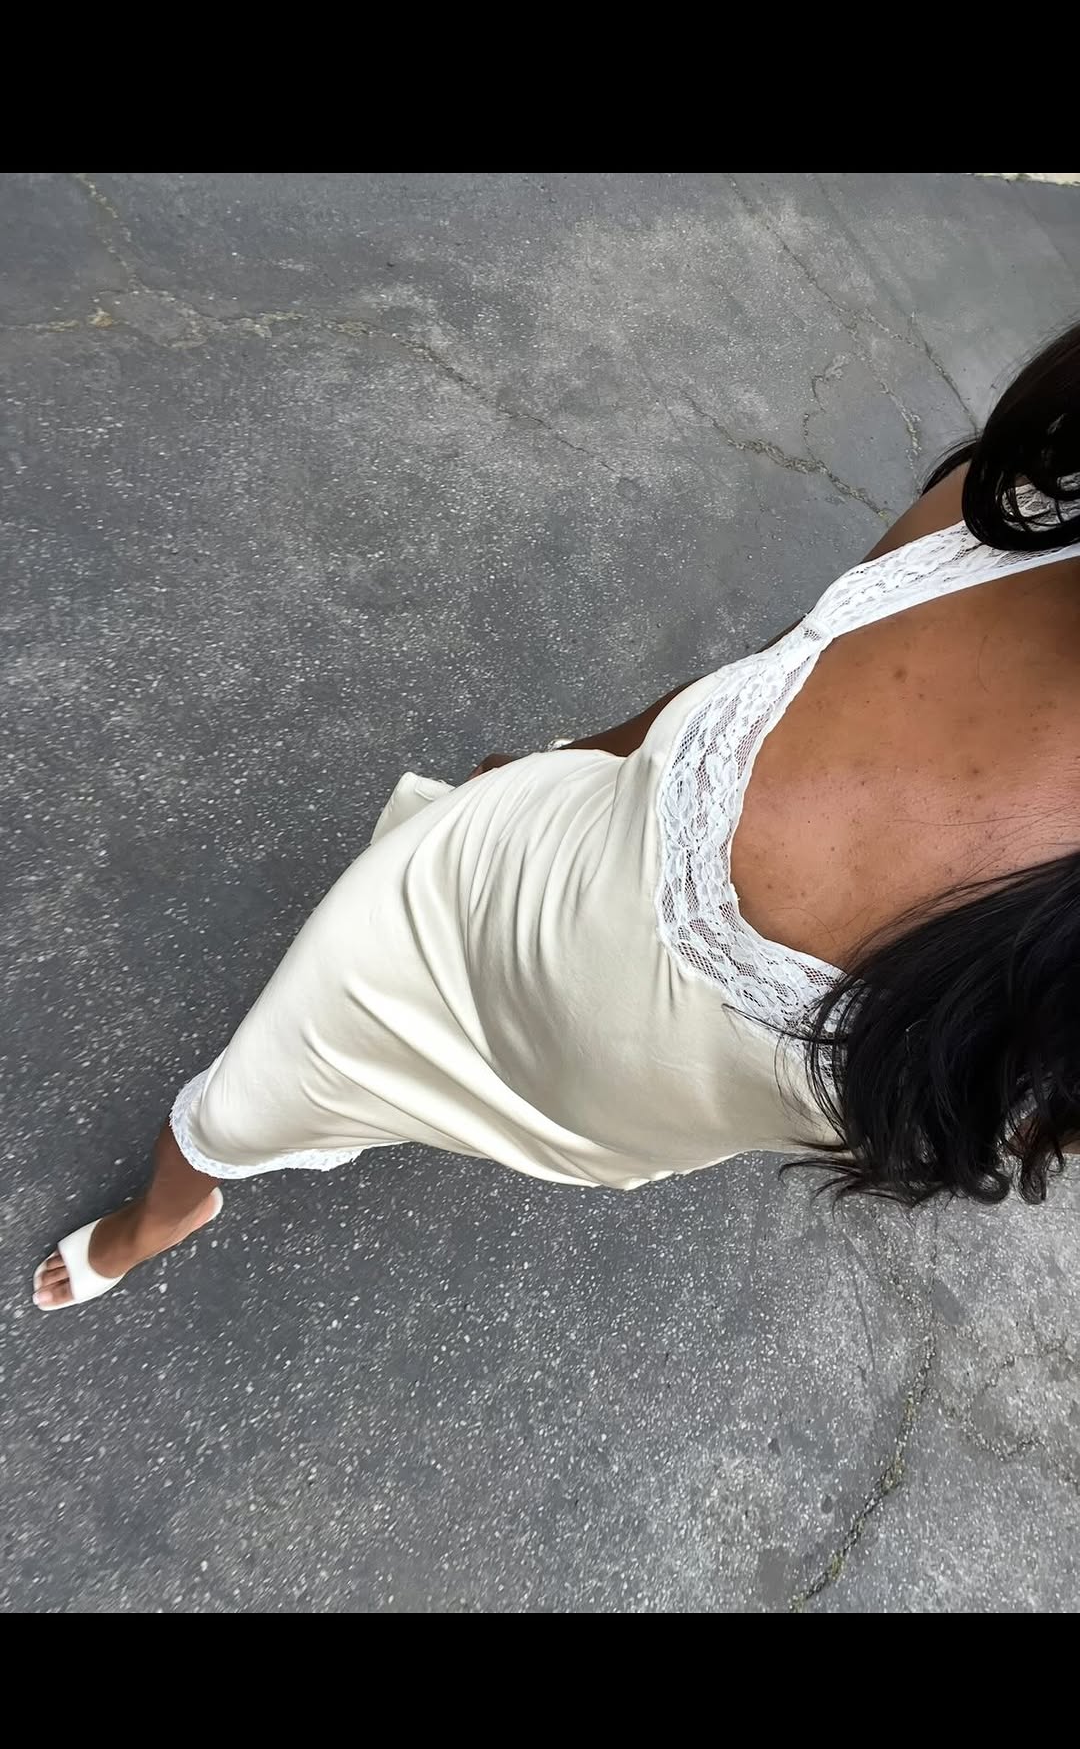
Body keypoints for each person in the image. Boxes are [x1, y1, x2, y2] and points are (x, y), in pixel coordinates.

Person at [33, 321, 1080, 1310]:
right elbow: (767, 675)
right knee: (244, 1093)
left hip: (614, 1118)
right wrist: (567, 758)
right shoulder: (1009, 519)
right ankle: (169, 1208)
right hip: (474, 892)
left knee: (291, 1080)